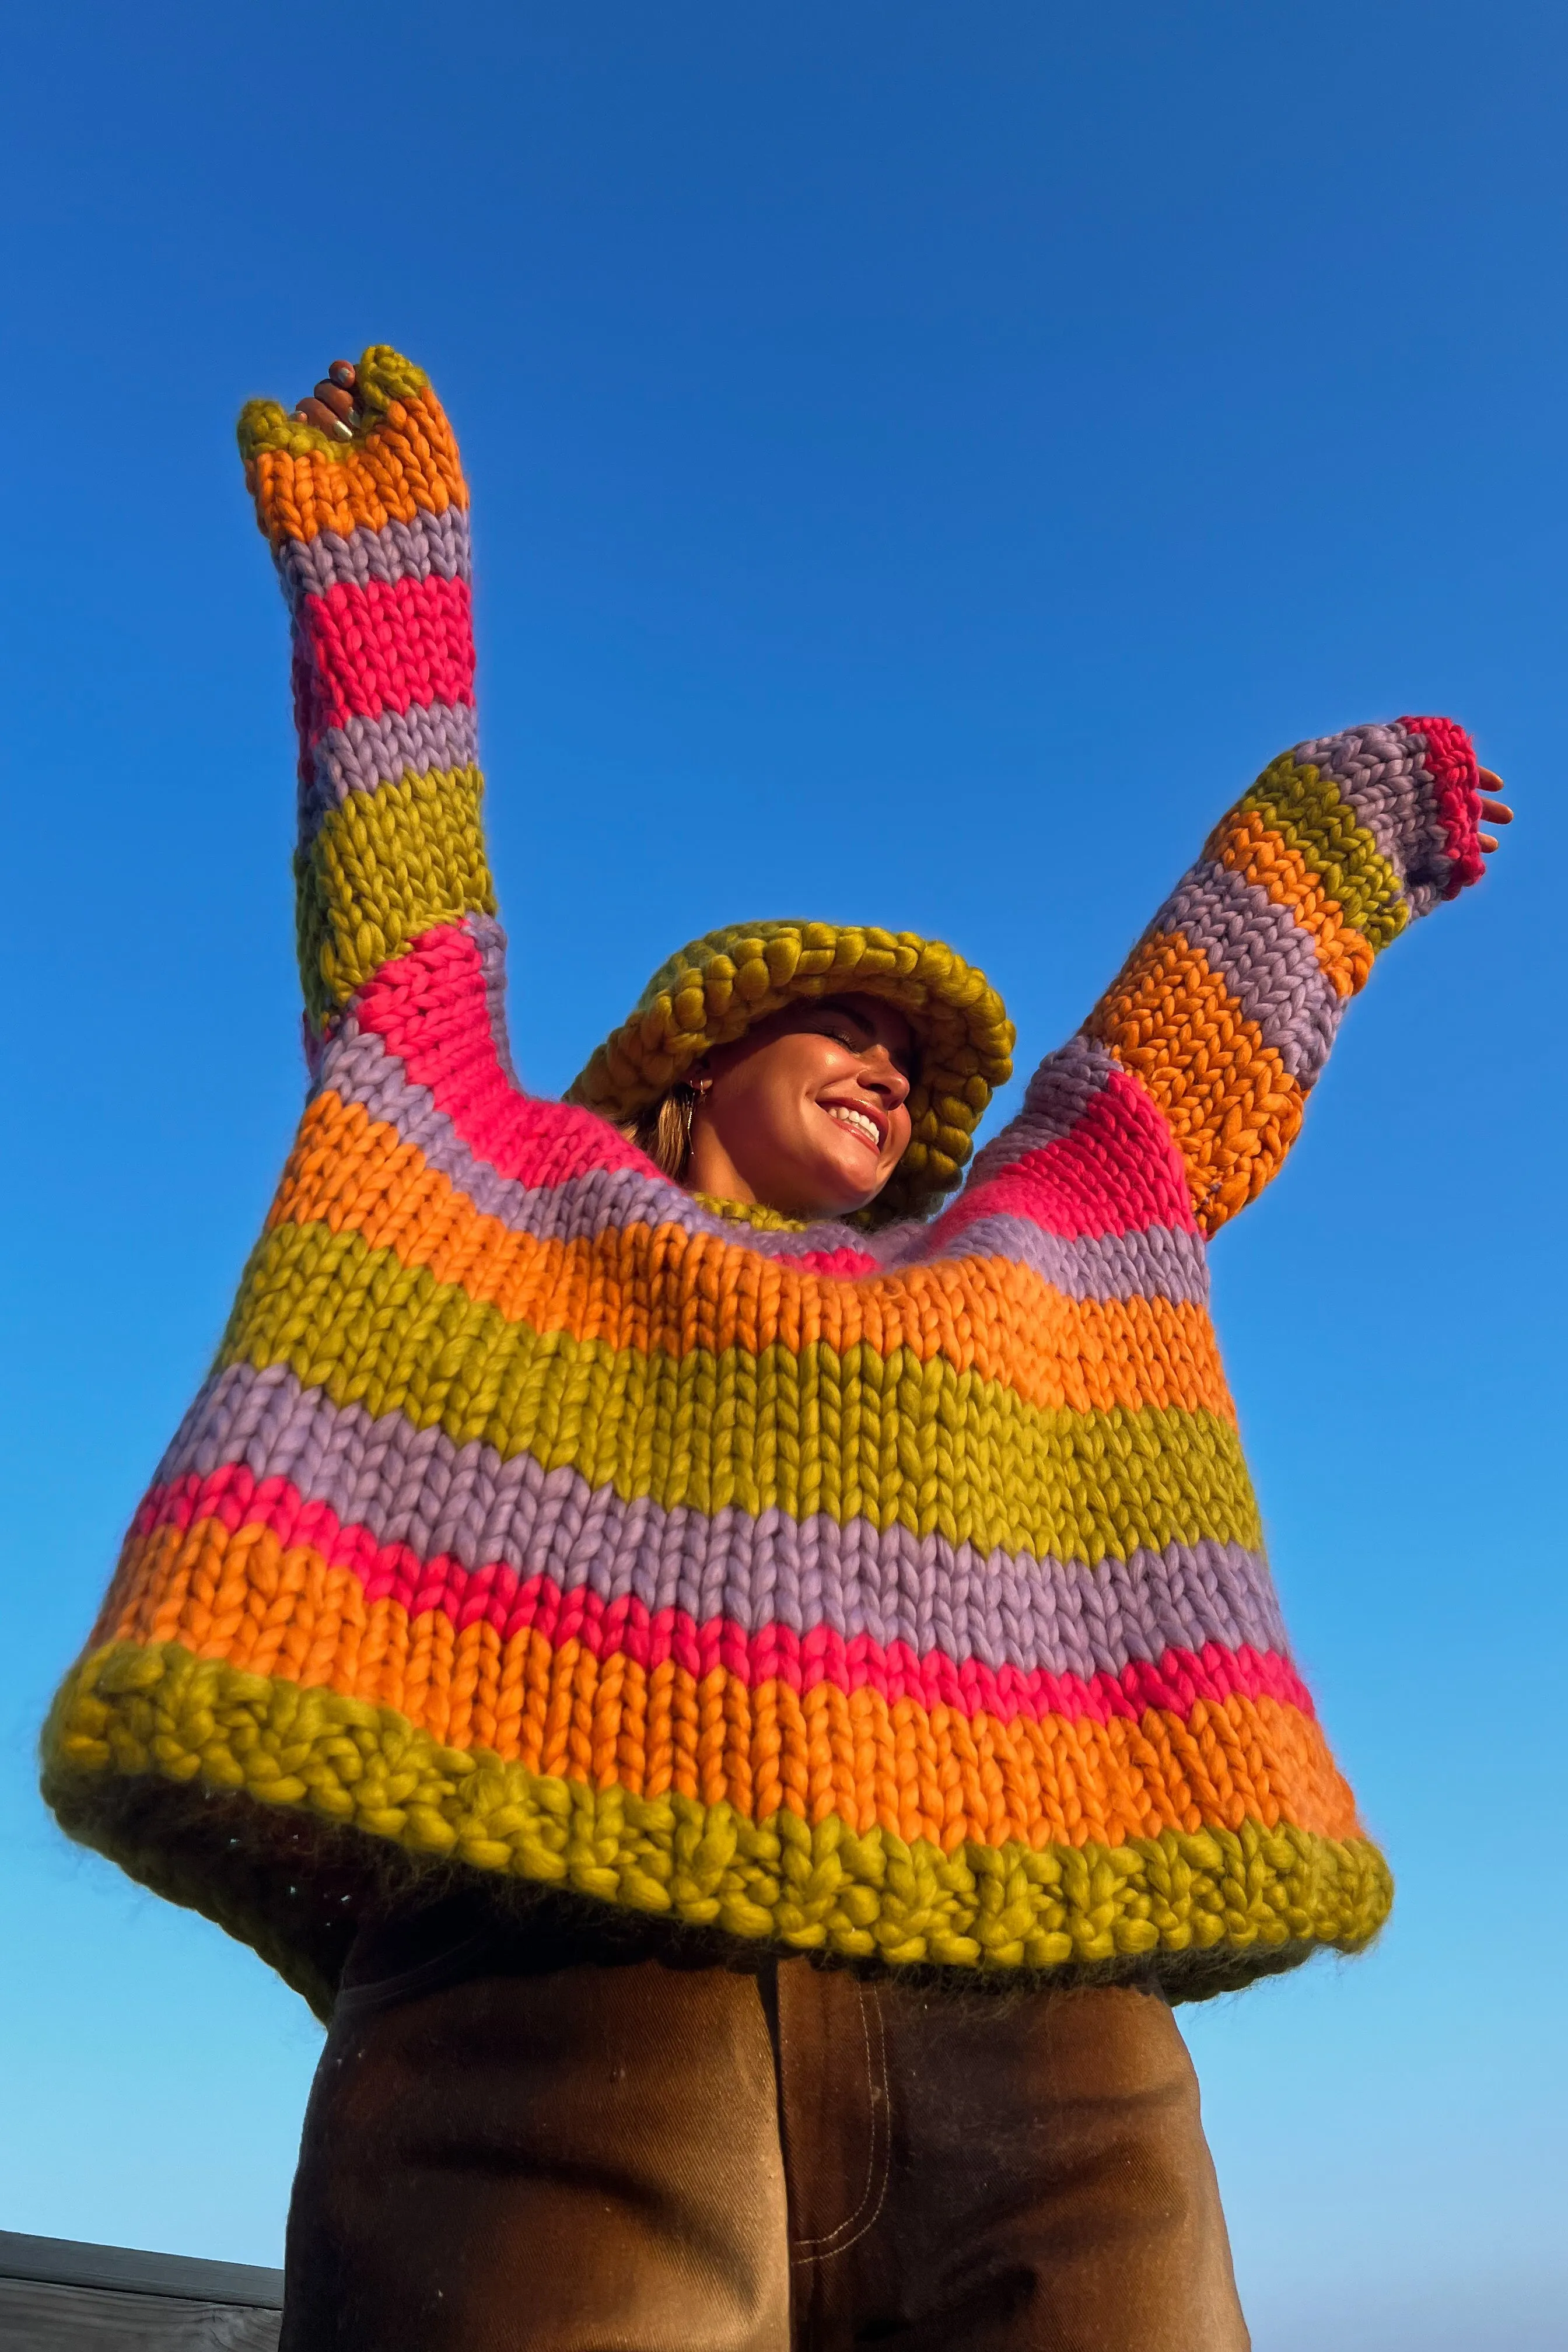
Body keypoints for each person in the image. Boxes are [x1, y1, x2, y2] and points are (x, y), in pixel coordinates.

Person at [43, 348, 1512, 2351]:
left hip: (1031, 2005)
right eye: (852, 1034)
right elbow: (404, 939)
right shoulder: (488, 1160)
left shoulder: (1035, 1237)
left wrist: (1314, 837)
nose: (898, 1075)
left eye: (920, 1072)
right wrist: (389, 586)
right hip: (560, 1980)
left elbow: (1153, 1089)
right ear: (695, 1063)